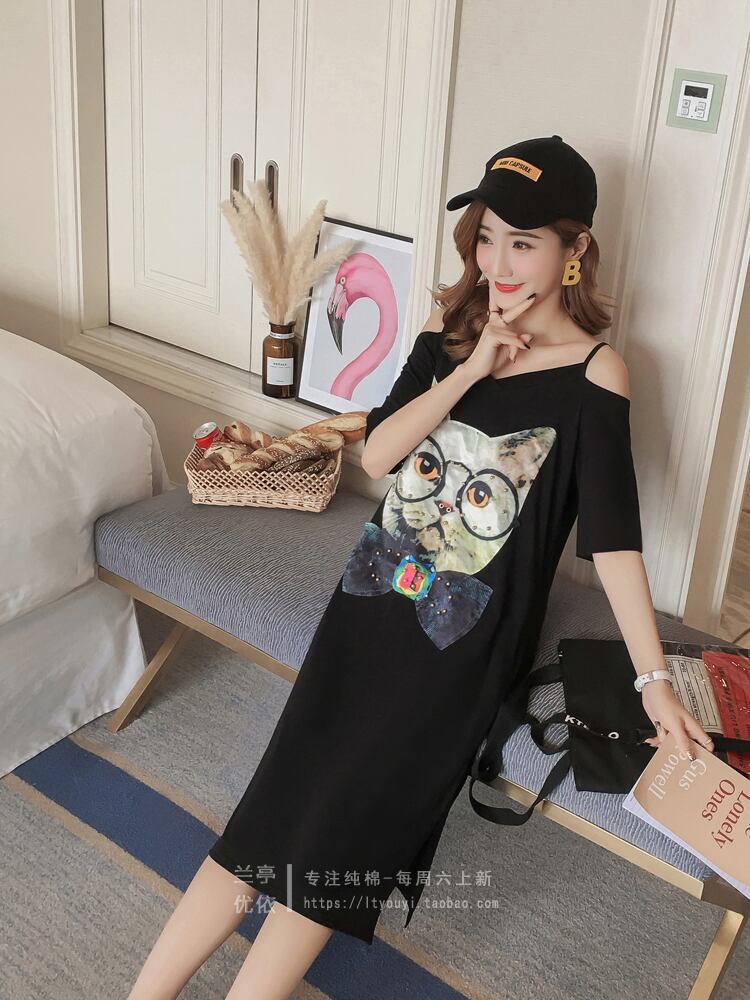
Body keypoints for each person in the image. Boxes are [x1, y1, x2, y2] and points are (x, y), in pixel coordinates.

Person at [126, 135, 715, 1000]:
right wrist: (470, 370)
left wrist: (653, 681)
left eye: (524, 242)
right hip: (366, 609)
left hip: (457, 650)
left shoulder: (598, 375)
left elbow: (615, 540)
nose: (498, 263)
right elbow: (380, 457)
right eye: (487, 237)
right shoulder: (451, 337)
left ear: (574, 248)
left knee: (337, 847)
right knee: (271, 812)